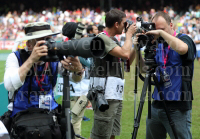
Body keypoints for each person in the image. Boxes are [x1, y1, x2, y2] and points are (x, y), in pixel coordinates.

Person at [3, 22, 84, 137]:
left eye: (49, 39)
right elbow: (9, 86)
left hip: (49, 115)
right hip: (23, 114)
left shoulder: (55, 57)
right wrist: (31, 60)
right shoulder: (16, 57)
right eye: (41, 41)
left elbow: (75, 78)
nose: (47, 45)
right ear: (29, 45)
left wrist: (78, 69)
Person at [135, 11, 196, 139]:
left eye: (162, 29)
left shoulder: (184, 39)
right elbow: (144, 69)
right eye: (155, 29)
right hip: (157, 103)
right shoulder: (156, 45)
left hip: (178, 106)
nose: (157, 32)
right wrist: (137, 51)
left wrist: (161, 33)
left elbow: (183, 49)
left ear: (171, 25)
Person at [89, 9, 137, 139]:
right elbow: (125, 53)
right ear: (116, 24)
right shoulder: (102, 38)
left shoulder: (111, 40)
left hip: (114, 93)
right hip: (105, 94)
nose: (126, 26)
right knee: (100, 134)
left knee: (111, 133)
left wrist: (136, 46)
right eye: (124, 23)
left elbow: (127, 62)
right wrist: (128, 36)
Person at [62, 22, 91, 138]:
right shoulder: (77, 46)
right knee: (76, 120)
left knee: (70, 118)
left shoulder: (62, 45)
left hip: (67, 88)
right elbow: (88, 63)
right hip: (80, 88)